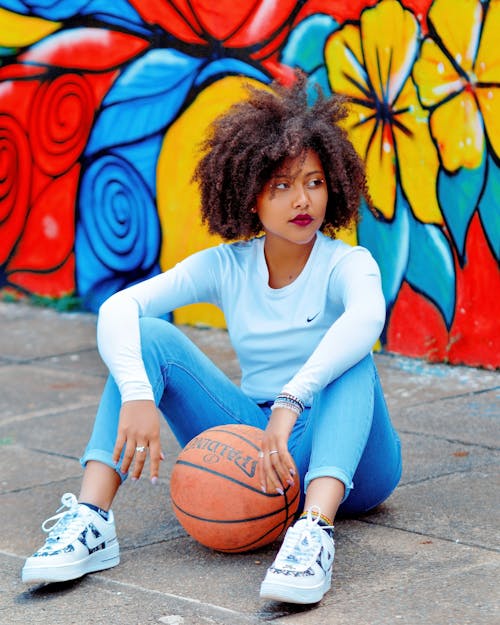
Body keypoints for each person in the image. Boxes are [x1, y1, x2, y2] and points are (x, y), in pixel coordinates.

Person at [22, 73, 402, 605]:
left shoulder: (348, 264)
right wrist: (136, 391)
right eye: (281, 185)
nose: (302, 200)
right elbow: (118, 308)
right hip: (262, 441)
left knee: (351, 358)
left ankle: (314, 531)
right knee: (149, 336)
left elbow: (366, 320)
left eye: (314, 182)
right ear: (250, 196)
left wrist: (294, 397)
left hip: (357, 459)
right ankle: (92, 520)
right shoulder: (227, 266)